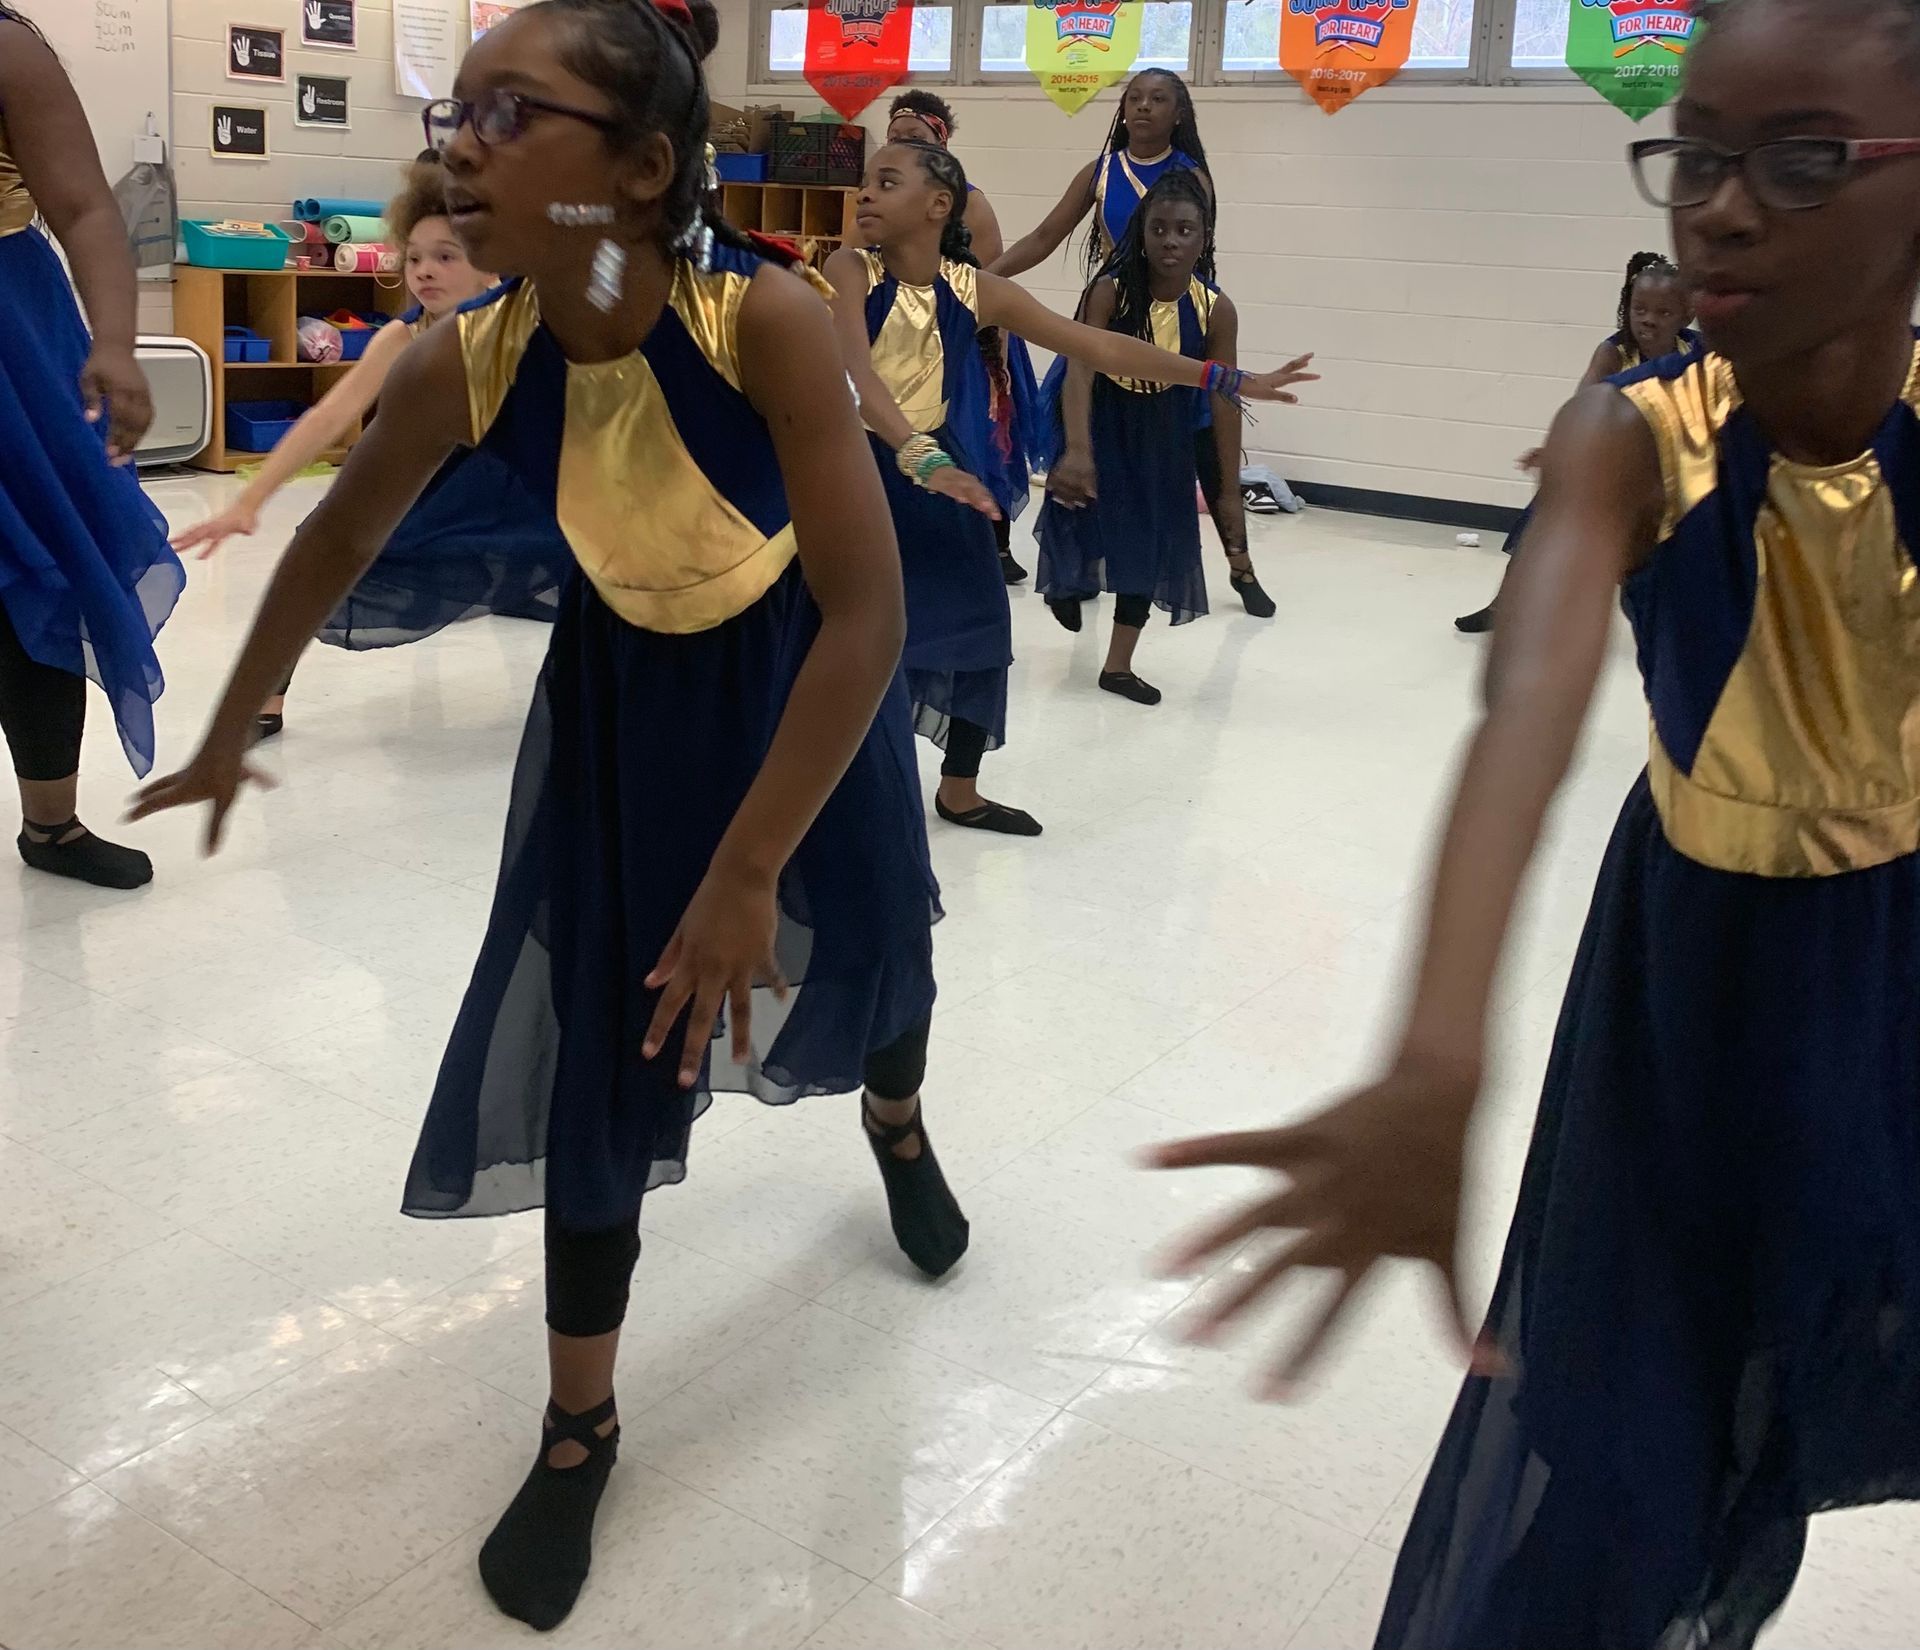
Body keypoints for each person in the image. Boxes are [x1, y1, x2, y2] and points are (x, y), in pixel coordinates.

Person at [132, 0, 970, 1629]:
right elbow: (336, 537)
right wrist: (237, 726)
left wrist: (749, 873)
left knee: (880, 952)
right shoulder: (476, 351)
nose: (463, 138)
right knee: (603, 1045)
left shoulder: (770, 323)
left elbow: (869, 624)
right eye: (466, 107)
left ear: (645, 169)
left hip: (804, 695)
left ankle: (896, 1122)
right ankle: (579, 1425)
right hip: (625, 721)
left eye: (516, 113)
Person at [1150, 1, 1920, 1645]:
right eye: (1696, 158)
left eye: (1798, 163)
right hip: (1689, 981)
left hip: (1902, 960)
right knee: (1630, 1421)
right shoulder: (1630, 437)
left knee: (1848, 1355)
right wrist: (1438, 1053)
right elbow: (1526, 712)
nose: (1717, 205)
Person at [825, 140, 1313, 836]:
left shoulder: (977, 291)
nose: (865, 194)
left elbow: (1099, 345)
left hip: (941, 472)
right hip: (854, 470)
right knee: (850, 635)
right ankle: (828, 786)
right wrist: (917, 455)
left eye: (885, 182)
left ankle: (959, 791)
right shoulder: (848, 270)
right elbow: (858, 375)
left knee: (981, 627)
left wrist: (1223, 376)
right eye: (866, 182)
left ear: (938, 206)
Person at [171, 154, 571, 740]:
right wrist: (250, 498)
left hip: (524, 481)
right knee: (316, 552)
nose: (424, 272)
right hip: (433, 483)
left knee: (596, 571)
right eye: (413, 259)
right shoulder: (404, 334)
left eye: (445, 257)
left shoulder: (525, 320)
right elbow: (329, 415)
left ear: (491, 265)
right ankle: (267, 696)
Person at [0, 3, 182, 889]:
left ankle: (52, 826)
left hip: (10, 348)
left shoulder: (5, 45)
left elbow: (82, 207)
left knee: (36, 577)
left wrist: (115, 341)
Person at [994, 71, 1276, 618]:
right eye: (1134, 98)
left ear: (1179, 114)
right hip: (1111, 312)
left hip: (1175, 314)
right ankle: (1075, 572)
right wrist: (978, 281)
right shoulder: (1100, 171)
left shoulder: (1191, 174)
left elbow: (1193, 251)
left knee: (1207, 453)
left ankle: (1240, 567)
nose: (1143, 107)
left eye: (1158, 99)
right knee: (1074, 443)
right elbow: (1043, 238)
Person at [1034, 168, 1247, 706]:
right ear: (1141, 232)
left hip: (1164, 431)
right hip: (1099, 415)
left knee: (1148, 546)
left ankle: (1118, 666)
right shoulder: (1107, 291)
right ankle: (1067, 585)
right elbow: (1079, 371)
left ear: (1204, 238)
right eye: (1159, 229)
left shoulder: (1216, 308)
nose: (1170, 241)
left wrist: (1228, 486)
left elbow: (1224, 394)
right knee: (1079, 511)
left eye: (1184, 230)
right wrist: (1078, 448)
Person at [1453, 252, 1698, 634]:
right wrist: (1559, 448)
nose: (1649, 319)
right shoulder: (1614, 352)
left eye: (1663, 312)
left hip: (1675, 466)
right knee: (1543, 520)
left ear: (1686, 316)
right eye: (1640, 309)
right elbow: (1582, 405)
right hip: (1616, 462)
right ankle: (1505, 605)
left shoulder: (1699, 354)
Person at [885, 88, 1038, 586]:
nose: (906, 145)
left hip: (968, 344)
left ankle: (994, 542)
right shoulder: (874, 199)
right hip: (900, 340)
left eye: (917, 137)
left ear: (942, 143)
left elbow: (991, 282)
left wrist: (996, 362)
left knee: (982, 441)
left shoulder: (971, 202)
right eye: (896, 138)